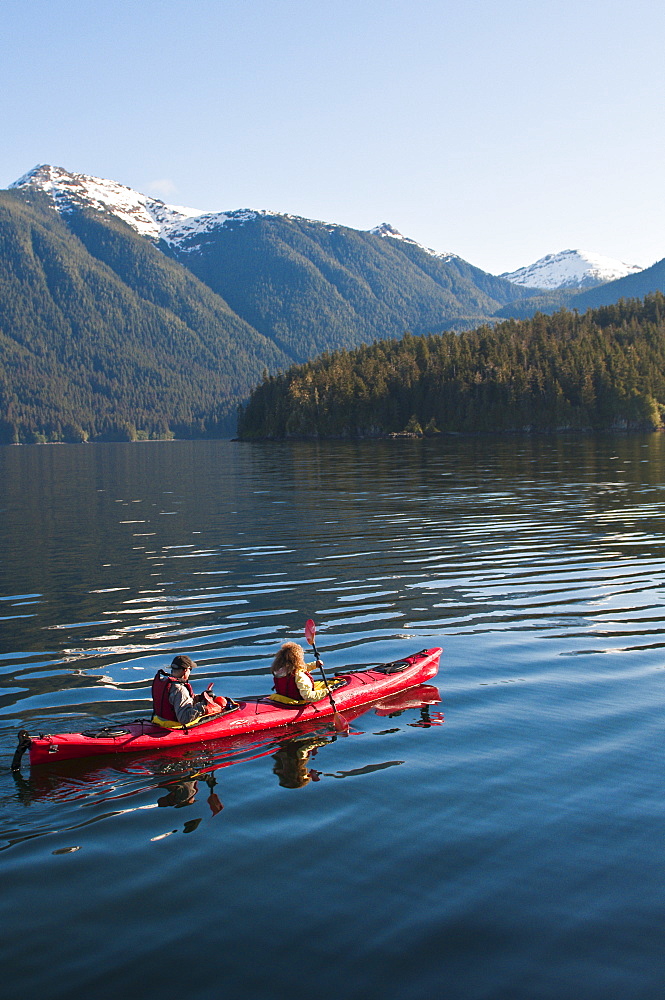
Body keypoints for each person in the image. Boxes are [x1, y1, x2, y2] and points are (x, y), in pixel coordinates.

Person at [151, 654, 229, 728]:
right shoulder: (180, 689)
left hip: (159, 721)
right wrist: (203, 705)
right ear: (185, 670)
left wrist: (200, 698)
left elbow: (174, 701)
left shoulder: (164, 682)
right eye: (190, 669)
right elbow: (184, 719)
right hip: (173, 726)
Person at [270, 641, 337, 704]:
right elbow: (308, 696)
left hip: (283, 699)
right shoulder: (300, 676)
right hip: (297, 703)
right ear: (298, 659)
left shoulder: (279, 671)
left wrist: (315, 665)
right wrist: (326, 691)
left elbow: (298, 669)